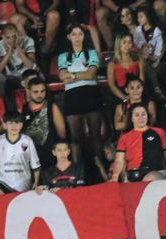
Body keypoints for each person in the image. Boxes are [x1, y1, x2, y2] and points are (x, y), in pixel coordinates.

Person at [57, 25, 104, 180]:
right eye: (74, 34)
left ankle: (100, 172)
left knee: (95, 136)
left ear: (84, 36)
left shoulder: (91, 53)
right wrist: (80, 75)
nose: (77, 37)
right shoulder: (63, 56)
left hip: (91, 94)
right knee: (76, 139)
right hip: (72, 96)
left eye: (80, 34)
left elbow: (91, 74)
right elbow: (62, 76)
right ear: (69, 37)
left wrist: (73, 76)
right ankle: (77, 175)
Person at [111, 105, 166, 182]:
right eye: (137, 115)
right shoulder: (124, 138)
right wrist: (114, 177)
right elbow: (119, 160)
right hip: (133, 174)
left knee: (151, 178)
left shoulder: (160, 132)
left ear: (147, 116)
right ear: (131, 118)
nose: (140, 118)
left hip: (157, 172)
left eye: (143, 114)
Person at [0, 111, 40, 195]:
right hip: (2, 181)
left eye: (17, 123)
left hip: (22, 184)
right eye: (10, 123)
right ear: (4, 125)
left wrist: (36, 182)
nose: (14, 126)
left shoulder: (27, 141)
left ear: (21, 125)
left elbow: (35, 165)